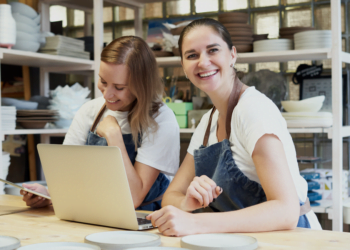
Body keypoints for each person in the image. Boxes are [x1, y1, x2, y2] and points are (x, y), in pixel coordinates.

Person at [146, 18, 322, 236]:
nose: (203, 62)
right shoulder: (208, 120)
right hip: (243, 239)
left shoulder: (253, 109)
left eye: (213, 50)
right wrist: (187, 204)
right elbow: (171, 195)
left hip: (290, 238)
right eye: (192, 55)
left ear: (232, 55)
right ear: (183, 66)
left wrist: (196, 223)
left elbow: (286, 211)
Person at [20, 36, 180, 211]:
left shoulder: (161, 120)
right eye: (103, 82)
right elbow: (67, 175)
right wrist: (50, 195)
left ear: (141, 85)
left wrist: (115, 138)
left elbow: (133, 197)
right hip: (95, 211)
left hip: (146, 219)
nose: (107, 95)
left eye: (119, 87)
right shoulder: (90, 111)